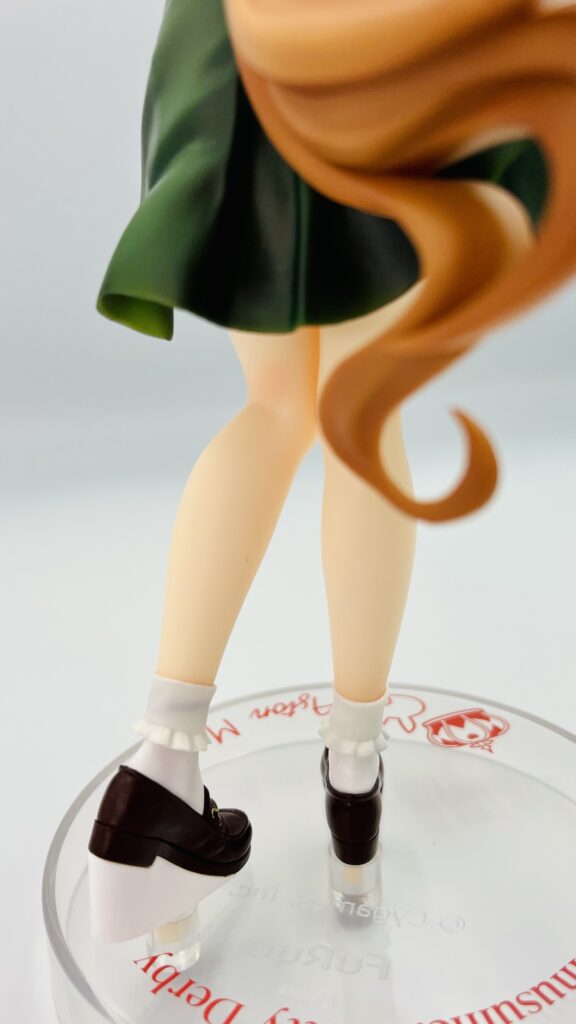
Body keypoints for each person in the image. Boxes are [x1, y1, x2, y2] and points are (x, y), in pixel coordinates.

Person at [88, 0, 576, 945]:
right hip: (369, 44)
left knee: (275, 405)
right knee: (360, 408)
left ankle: (160, 768)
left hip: (236, 42)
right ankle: (354, 769)